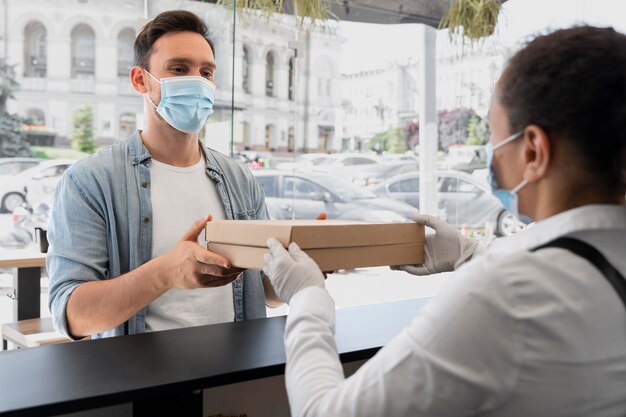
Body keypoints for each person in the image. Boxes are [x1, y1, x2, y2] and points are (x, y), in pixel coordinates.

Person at [263, 26, 626, 416]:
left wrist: (307, 298)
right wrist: (470, 254)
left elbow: (324, 412)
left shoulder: (506, 293)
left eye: (494, 134)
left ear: (534, 151)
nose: (491, 152)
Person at [47, 10, 279, 340]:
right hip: (144, 383)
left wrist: (305, 268)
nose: (198, 81)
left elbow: (267, 292)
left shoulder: (239, 179)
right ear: (141, 80)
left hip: (234, 377)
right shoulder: (90, 182)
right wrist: (165, 273)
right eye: (179, 69)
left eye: (207, 72)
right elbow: (72, 314)